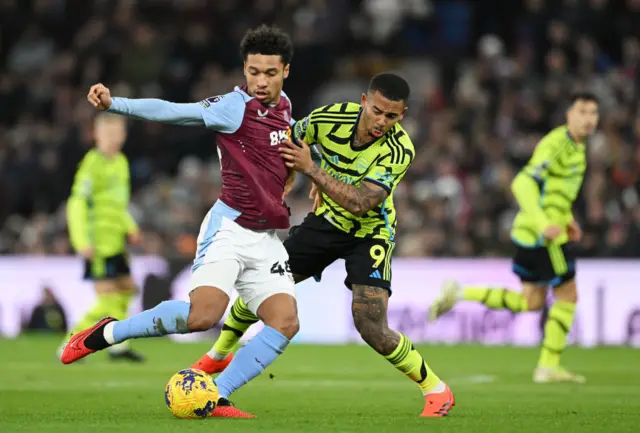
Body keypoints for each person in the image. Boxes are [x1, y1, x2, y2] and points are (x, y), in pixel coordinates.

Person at [59, 25, 300, 418]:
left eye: (269, 73)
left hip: (266, 235)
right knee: (202, 316)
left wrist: (299, 173)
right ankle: (107, 332)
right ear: (244, 68)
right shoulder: (232, 107)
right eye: (253, 71)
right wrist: (114, 104)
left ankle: (216, 394)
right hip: (230, 229)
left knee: (285, 322)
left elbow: (281, 150)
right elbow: (172, 111)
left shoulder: (286, 106)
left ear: (285, 71)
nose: (260, 81)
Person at [193, 73, 455, 418]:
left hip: (370, 232)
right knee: (265, 286)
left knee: (370, 324)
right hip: (326, 223)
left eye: (391, 116)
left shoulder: (399, 149)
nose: (381, 122)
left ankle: (437, 391)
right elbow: (284, 141)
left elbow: (362, 202)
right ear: (364, 100)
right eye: (376, 111)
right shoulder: (329, 118)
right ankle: (220, 352)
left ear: (402, 115)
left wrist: (315, 174)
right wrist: (289, 175)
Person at [428, 92, 599, 384]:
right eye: (582, 111)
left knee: (532, 302)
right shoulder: (558, 144)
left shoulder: (578, 148)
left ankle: (460, 293)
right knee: (568, 294)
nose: (588, 118)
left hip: (532, 234)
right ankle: (548, 366)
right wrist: (545, 223)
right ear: (568, 114)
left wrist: (567, 219)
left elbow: (555, 190)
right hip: (543, 238)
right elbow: (522, 182)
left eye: (593, 113)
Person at [62, 112, 144, 363]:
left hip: (116, 241)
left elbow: (117, 205)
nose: (113, 138)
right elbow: (77, 202)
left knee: (128, 289)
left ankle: (118, 344)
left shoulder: (120, 162)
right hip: (97, 243)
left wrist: (130, 226)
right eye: (107, 133)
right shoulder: (92, 163)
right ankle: (71, 340)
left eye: (117, 133)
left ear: (124, 135)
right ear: (96, 135)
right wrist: (81, 241)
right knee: (108, 297)